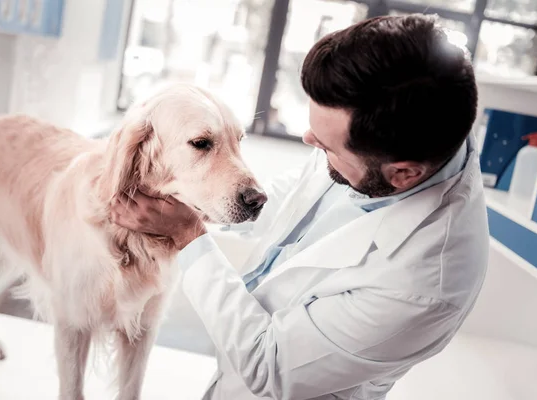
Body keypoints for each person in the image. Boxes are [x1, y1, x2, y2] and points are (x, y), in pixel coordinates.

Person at [110, 14, 489, 400]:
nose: (310, 140)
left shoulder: (425, 284)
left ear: (403, 174)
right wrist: (218, 201)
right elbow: (297, 201)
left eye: (326, 147)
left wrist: (187, 233)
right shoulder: (403, 125)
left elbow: (267, 366)